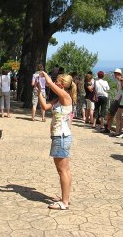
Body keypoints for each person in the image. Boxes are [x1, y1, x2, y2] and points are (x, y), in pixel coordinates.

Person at [37, 71, 77, 210]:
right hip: (59, 137)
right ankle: (65, 198)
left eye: (58, 81)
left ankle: (64, 203)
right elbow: (45, 107)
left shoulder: (65, 96)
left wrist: (43, 73)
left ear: (62, 84)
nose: (55, 82)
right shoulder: (59, 99)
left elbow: (49, 83)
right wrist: (39, 92)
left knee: (62, 171)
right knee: (65, 170)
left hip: (61, 137)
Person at [101, 69, 122, 133]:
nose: (115, 75)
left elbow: (122, 92)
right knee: (111, 114)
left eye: (116, 74)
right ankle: (108, 128)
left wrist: (119, 99)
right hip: (117, 99)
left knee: (111, 114)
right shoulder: (118, 82)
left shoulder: (121, 81)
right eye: (115, 74)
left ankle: (108, 128)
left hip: (118, 100)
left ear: (119, 74)